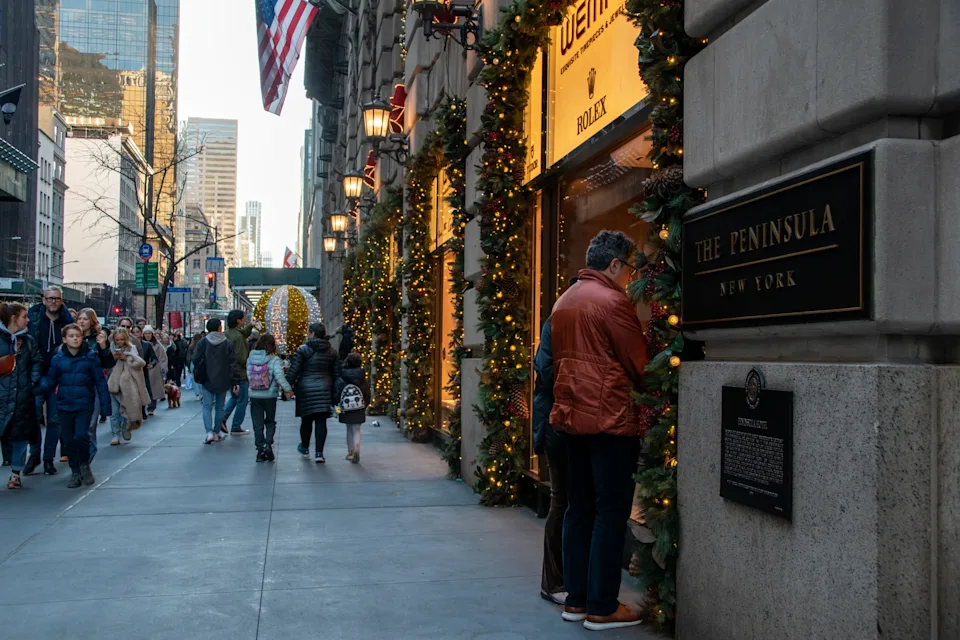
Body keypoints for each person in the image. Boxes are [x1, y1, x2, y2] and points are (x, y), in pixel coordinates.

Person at [550, 230, 648, 631]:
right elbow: (639, 363)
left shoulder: (565, 300)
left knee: (580, 508)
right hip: (609, 421)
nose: (629, 276)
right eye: (628, 268)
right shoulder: (613, 301)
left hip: (573, 421)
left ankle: (576, 600)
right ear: (614, 265)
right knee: (610, 513)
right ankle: (603, 606)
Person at [533, 276, 578, 607]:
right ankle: (553, 580)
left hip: (571, 424)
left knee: (571, 502)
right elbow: (546, 370)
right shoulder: (559, 320)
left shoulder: (564, 319)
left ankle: (568, 578)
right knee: (562, 501)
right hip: (559, 424)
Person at [37, 324, 112, 488]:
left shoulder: (90, 357)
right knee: (69, 440)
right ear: (64, 339)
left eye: (77, 335)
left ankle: (84, 464)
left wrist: (106, 406)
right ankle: (75, 470)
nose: (75, 339)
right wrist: (36, 390)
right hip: (64, 404)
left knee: (81, 436)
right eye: (71, 336)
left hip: (84, 404)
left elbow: (99, 381)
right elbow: (51, 381)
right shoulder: (58, 359)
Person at [25, 286, 74, 476]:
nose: (53, 302)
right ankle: (34, 454)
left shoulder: (67, 321)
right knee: (34, 416)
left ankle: (48, 458)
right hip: (37, 375)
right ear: (44, 300)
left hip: (58, 376)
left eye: (56, 299)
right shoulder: (34, 319)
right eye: (50, 298)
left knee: (55, 420)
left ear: (61, 301)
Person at [0, 303, 42, 489]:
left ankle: (15, 472)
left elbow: (36, 362)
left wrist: (31, 383)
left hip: (22, 395)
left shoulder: (29, 341)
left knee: (20, 434)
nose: (28, 320)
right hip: (2, 394)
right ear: (13, 317)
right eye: (24, 316)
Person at [286, 322, 340, 463]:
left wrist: (287, 387)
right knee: (321, 421)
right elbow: (337, 374)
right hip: (324, 388)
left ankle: (304, 447)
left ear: (313, 334)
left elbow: (294, 370)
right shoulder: (332, 352)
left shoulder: (303, 350)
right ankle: (319, 453)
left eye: (308, 332)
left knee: (306, 420)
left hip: (305, 389)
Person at [76, 308, 114, 463]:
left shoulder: (98, 339)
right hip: (74, 386)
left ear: (92, 321)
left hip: (93, 387)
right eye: (80, 319)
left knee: (90, 425)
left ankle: (86, 461)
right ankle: (78, 460)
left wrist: (103, 346)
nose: (82, 322)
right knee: (75, 428)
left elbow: (109, 363)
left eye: (85, 319)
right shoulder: (72, 336)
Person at [247, 333, 293, 462]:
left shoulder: (250, 358)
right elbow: (279, 376)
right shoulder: (274, 359)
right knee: (270, 421)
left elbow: (248, 375)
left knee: (257, 423)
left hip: (255, 394)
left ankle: (260, 450)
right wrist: (288, 390)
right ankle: (268, 443)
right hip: (270, 395)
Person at [192, 318, 239, 444]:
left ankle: (209, 433)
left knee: (207, 406)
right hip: (223, 379)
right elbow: (233, 363)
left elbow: (195, 359)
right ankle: (217, 431)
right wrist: (235, 381)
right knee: (220, 407)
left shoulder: (203, 342)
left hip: (207, 378)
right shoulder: (227, 343)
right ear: (219, 327)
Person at [106, 328, 150, 444]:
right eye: (117, 340)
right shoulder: (110, 348)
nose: (119, 342)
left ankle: (126, 428)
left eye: (122, 340)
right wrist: (113, 358)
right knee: (114, 412)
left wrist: (128, 357)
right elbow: (106, 363)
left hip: (127, 383)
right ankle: (115, 434)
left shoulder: (132, 348)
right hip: (113, 382)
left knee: (127, 407)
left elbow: (139, 363)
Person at [223, 310, 257, 435]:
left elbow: (243, 332)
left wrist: (251, 325)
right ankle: (236, 426)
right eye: (243, 319)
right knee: (242, 400)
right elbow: (242, 357)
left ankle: (223, 418)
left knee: (234, 397)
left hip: (230, 371)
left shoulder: (228, 334)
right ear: (238, 320)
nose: (244, 321)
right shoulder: (238, 337)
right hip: (240, 373)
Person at [338, 352, 369, 464]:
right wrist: (365, 404)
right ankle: (357, 448)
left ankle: (350, 451)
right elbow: (367, 393)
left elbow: (338, 391)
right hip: (359, 406)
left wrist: (337, 405)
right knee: (357, 429)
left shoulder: (343, 376)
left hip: (346, 407)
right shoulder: (362, 376)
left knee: (349, 429)